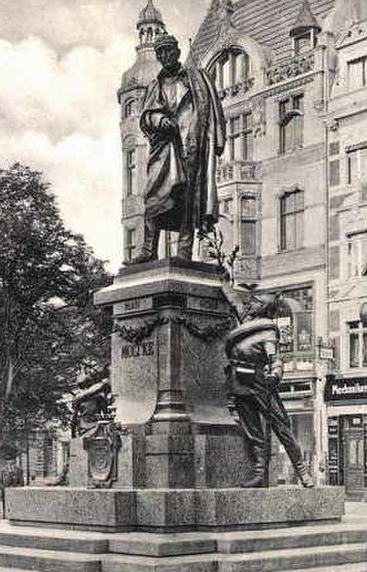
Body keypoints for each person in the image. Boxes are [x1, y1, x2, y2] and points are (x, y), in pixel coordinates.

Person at [132, 33, 226, 263]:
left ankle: (184, 251)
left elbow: (214, 112)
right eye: (160, 53)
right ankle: (148, 249)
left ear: (177, 51)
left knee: (188, 200)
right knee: (154, 198)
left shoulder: (197, 79)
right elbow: (146, 117)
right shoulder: (156, 84)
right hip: (165, 149)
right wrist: (159, 120)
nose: (166, 56)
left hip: (192, 147)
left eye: (169, 51)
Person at [225, 293, 314, 489]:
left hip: (260, 383)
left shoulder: (267, 333)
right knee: (253, 430)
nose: (250, 305)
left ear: (263, 308)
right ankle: (259, 473)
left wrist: (275, 373)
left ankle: (303, 472)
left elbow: (275, 358)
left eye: (255, 303)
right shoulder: (244, 324)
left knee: (282, 428)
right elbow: (233, 299)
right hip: (239, 383)